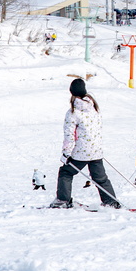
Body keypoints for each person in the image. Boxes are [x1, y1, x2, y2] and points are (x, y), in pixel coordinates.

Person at [51, 78, 121, 208]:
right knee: (100, 178)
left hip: (80, 152)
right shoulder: (94, 108)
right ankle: (110, 201)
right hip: (96, 151)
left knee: (66, 172)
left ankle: (63, 200)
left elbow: (69, 135)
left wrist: (66, 154)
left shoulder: (73, 112)